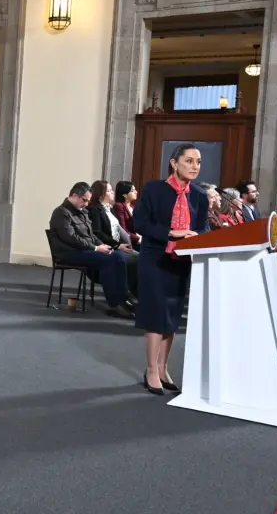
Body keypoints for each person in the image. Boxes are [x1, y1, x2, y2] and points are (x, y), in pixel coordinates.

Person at [133, 144, 210, 396]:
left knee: (171, 316)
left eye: (198, 162)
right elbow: (140, 223)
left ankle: (164, 368)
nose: (194, 166)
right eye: (188, 161)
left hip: (181, 261)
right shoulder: (155, 189)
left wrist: (197, 237)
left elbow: (203, 228)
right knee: (155, 314)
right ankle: (151, 370)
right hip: (155, 258)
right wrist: (170, 233)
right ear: (173, 163)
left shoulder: (198, 195)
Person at [48, 182, 136, 319]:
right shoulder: (61, 212)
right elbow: (71, 238)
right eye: (85, 200)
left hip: (83, 250)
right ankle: (115, 304)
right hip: (69, 253)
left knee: (117, 256)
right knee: (109, 260)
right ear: (75, 195)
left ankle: (123, 299)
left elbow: (92, 235)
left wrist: (103, 246)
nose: (87, 204)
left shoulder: (81, 212)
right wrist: (95, 248)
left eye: (88, 200)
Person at [87, 179, 138, 297]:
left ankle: (134, 293)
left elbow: (119, 230)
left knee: (141, 258)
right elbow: (98, 233)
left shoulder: (109, 209)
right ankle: (128, 294)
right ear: (101, 195)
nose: (113, 192)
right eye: (109, 191)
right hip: (107, 248)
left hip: (117, 245)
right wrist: (117, 245)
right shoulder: (95, 210)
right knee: (138, 259)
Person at [112, 181, 139, 246]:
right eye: (132, 190)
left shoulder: (134, 207)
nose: (136, 192)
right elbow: (123, 230)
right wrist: (139, 239)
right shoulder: (119, 206)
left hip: (139, 239)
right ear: (125, 195)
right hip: (129, 242)